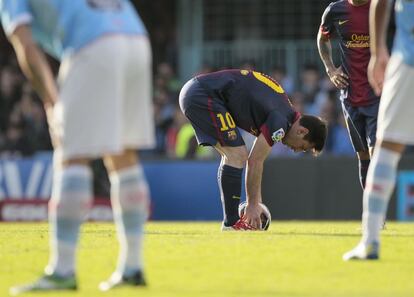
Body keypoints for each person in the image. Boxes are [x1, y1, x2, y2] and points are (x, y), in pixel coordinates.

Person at [1, 0, 154, 293]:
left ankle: (62, 270)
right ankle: (133, 267)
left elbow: (25, 44)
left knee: (71, 156)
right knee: (123, 154)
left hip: (93, 45)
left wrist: (51, 101)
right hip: (135, 40)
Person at [179, 69, 327, 230]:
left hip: (200, 91)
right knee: (237, 155)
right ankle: (231, 223)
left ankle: (231, 221)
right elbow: (255, 161)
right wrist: (252, 204)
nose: (296, 151)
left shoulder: (283, 112)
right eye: (303, 147)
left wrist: (256, 202)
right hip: (203, 94)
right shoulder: (281, 122)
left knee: (233, 155)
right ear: (302, 131)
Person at [343, 0, 414, 260]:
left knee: (386, 148)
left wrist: (377, 51)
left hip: (409, 61)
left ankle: (370, 240)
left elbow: (381, 1)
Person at [317, 0, 380, 190]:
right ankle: (372, 213)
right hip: (350, 95)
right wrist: (330, 69)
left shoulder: (381, 7)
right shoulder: (336, 10)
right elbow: (322, 38)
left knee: (376, 152)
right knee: (363, 155)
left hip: (377, 92)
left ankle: (378, 213)